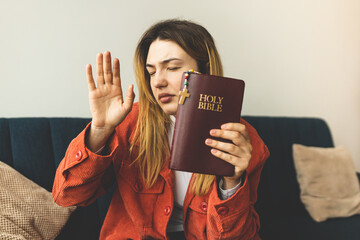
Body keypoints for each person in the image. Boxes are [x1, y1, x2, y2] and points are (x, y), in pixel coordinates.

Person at [53, 19, 269, 240]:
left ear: (206, 71)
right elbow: (67, 196)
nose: (158, 82)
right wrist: (100, 130)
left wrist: (231, 184)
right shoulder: (130, 123)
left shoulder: (241, 141)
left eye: (173, 67)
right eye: (151, 71)